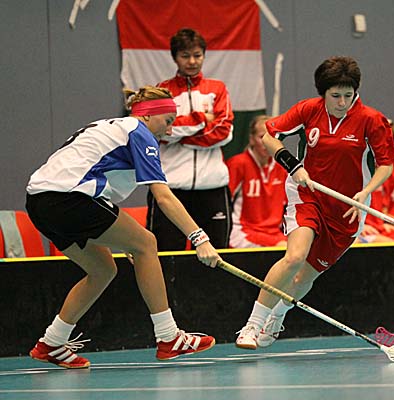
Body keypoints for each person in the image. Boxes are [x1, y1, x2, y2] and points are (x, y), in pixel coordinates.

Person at [25, 86, 221, 369]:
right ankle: (169, 337)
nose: (170, 130)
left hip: (39, 203)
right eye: (167, 121)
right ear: (147, 115)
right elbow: (163, 197)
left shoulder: (112, 127)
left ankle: (52, 342)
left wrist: (126, 242)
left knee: (103, 269)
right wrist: (200, 238)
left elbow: (97, 188)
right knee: (147, 243)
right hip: (68, 198)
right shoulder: (140, 133)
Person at [234, 56, 394, 349]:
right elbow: (269, 136)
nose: (342, 102)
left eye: (348, 95)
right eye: (335, 95)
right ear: (323, 93)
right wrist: (293, 165)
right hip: (307, 194)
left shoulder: (372, 120)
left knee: (304, 278)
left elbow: (386, 164)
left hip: (348, 209)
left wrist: (366, 192)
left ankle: (277, 316)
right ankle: (252, 326)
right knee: (294, 257)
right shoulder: (308, 110)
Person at [148, 28, 234, 250]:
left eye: (197, 55)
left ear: (204, 55)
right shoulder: (162, 90)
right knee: (166, 254)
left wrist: (181, 137)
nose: (192, 61)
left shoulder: (217, 88)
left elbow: (223, 131)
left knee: (217, 254)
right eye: (185, 56)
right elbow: (160, 131)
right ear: (175, 57)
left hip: (212, 186)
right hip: (171, 188)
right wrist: (201, 118)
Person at [226, 115, 288, 248]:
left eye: (273, 137)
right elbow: (223, 205)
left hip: (275, 233)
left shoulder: (282, 168)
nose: (267, 142)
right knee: (284, 248)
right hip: (243, 231)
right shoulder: (237, 164)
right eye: (262, 137)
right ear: (251, 139)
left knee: (301, 248)